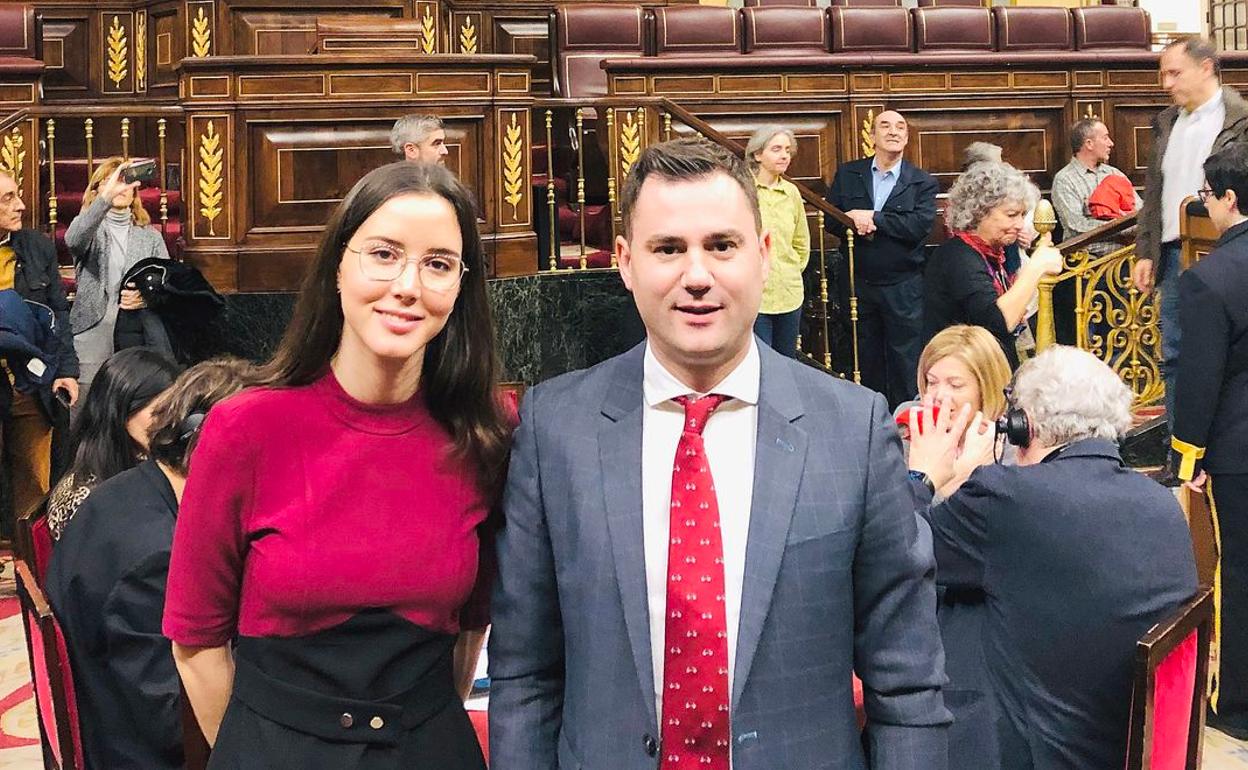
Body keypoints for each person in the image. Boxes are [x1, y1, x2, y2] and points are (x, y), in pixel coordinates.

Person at [489, 138, 950, 769]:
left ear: (764, 254)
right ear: (624, 262)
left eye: (722, 245)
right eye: (668, 249)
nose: (697, 276)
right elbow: (525, 676)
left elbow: (907, 685)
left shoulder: (853, 429)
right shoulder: (555, 429)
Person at [163, 162, 511, 768]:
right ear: (337, 268)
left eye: (438, 264)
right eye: (384, 254)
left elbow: (471, 626)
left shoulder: (484, 431)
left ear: (461, 287)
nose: (408, 286)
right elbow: (196, 643)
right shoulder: (245, 428)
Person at [915, 345, 1198, 769]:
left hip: (1049, 752)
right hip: (1125, 742)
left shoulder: (1007, 497)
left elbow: (898, 546)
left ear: (1023, 425)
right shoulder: (1161, 503)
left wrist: (925, 475)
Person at [46, 357, 255, 770]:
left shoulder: (122, 490)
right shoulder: (157, 557)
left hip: (109, 708)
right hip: (135, 752)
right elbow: (175, 722)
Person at [901, 325, 1011, 770]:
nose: (939, 396)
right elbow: (897, 533)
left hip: (979, 605)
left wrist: (963, 480)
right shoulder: (903, 436)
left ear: (986, 389)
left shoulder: (1009, 448)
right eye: (931, 382)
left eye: (955, 384)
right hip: (915, 593)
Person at [1168, 142, 1248, 739]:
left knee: (1238, 573)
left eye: (1207, 196)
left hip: (1239, 451)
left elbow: (1199, 381)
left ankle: (1238, 703)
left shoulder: (1209, 279)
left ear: (1229, 199)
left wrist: (1186, 456)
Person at [1133, 38, 1248, 422]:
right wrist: (1145, 251)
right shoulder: (1167, 122)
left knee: (1228, 351)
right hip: (1172, 253)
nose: (1166, 83)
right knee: (1175, 353)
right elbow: (1153, 194)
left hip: (1228, 252)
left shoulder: (1239, 119)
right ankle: (1178, 444)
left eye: (1174, 73)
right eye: (1163, 74)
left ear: (1206, 68)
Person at [825, 110, 938, 407]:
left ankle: (906, 419)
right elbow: (831, 220)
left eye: (900, 127)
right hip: (858, 284)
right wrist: (852, 221)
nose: (893, 131)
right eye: (885, 126)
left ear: (907, 137)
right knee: (865, 358)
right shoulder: (848, 174)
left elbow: (918, 227)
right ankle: (870, 417)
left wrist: (874, 219)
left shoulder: (922, 181)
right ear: (872, 136)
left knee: (906, 361)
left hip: (904, 286)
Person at [0, 168, 79, 531]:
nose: (21, 205)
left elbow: (58, 312)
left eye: (17, 194)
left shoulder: (38, 247)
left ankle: (29, 556)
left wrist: (66, 370)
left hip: (30, 383)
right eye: (8, 199)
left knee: (34, 480)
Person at [923, 162, 1060, 369]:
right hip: (962, 373)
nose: (1020, 225)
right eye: (1011, 215)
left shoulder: (993, 252)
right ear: (979, 212)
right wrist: (1035, 268)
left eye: (1023, 215)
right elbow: (997, 323)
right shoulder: (957, 257)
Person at [47, 347, 179, 540]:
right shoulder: (82, 497)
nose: (169, 422)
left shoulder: (147, 461)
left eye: (174, 411)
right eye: (159, 411)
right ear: (121, 410)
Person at [67, 157, 173, 394]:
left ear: (134, 191)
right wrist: (105, 199)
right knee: (87, 404)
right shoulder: (89, 229)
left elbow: (167, 282)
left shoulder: (150, 236)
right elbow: (73, 240)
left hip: (137, 332)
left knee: (133, 400)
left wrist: (146, 297)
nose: (120, 188)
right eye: (110, 182)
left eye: (125, 182)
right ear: (96, 191)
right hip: (93, 328)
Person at [746, 125, 809, 357]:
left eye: (787, 150)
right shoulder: (744, 190)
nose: (784, 155)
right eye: (776, 149)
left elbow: (801, 242)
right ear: (757, 154)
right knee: (761, 360)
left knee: (786, 360)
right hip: (755, 294)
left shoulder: (791, 192)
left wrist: (791, 270)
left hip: (789, 292)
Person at [1052, 118, 1140, 254]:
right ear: (1089, 144)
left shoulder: (1115, 173)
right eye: (1105, 138)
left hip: (1128, 254)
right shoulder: (1065, 179)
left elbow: (1140, 211)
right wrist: (1121, 226)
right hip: (1089, 260)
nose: (1111, 143)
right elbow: (1076, 225)